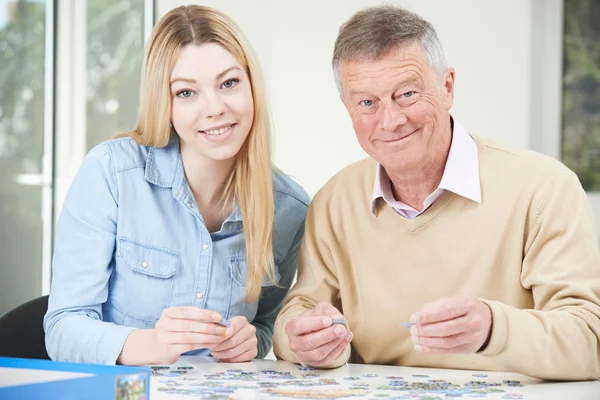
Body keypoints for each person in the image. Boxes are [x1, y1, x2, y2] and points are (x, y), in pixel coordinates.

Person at [273, 5, 600, 380]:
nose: (390, 120)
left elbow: (590, 342)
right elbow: (300, 310)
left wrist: (495, 329)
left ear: (447, 88)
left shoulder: (543, 189)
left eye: (407, 94)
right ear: (347, 107)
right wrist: (301, 339)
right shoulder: (335, 200)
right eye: (367, 103)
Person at [44, 5, 309, 366]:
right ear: (164, 103)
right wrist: (148, 345)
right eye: (186, 93)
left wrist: (252, 342)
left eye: (228, 83)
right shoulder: (112, 173)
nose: (214, 108)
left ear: (252, 87)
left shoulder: (290, 209)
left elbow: (264, 325)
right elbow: (62, 328)